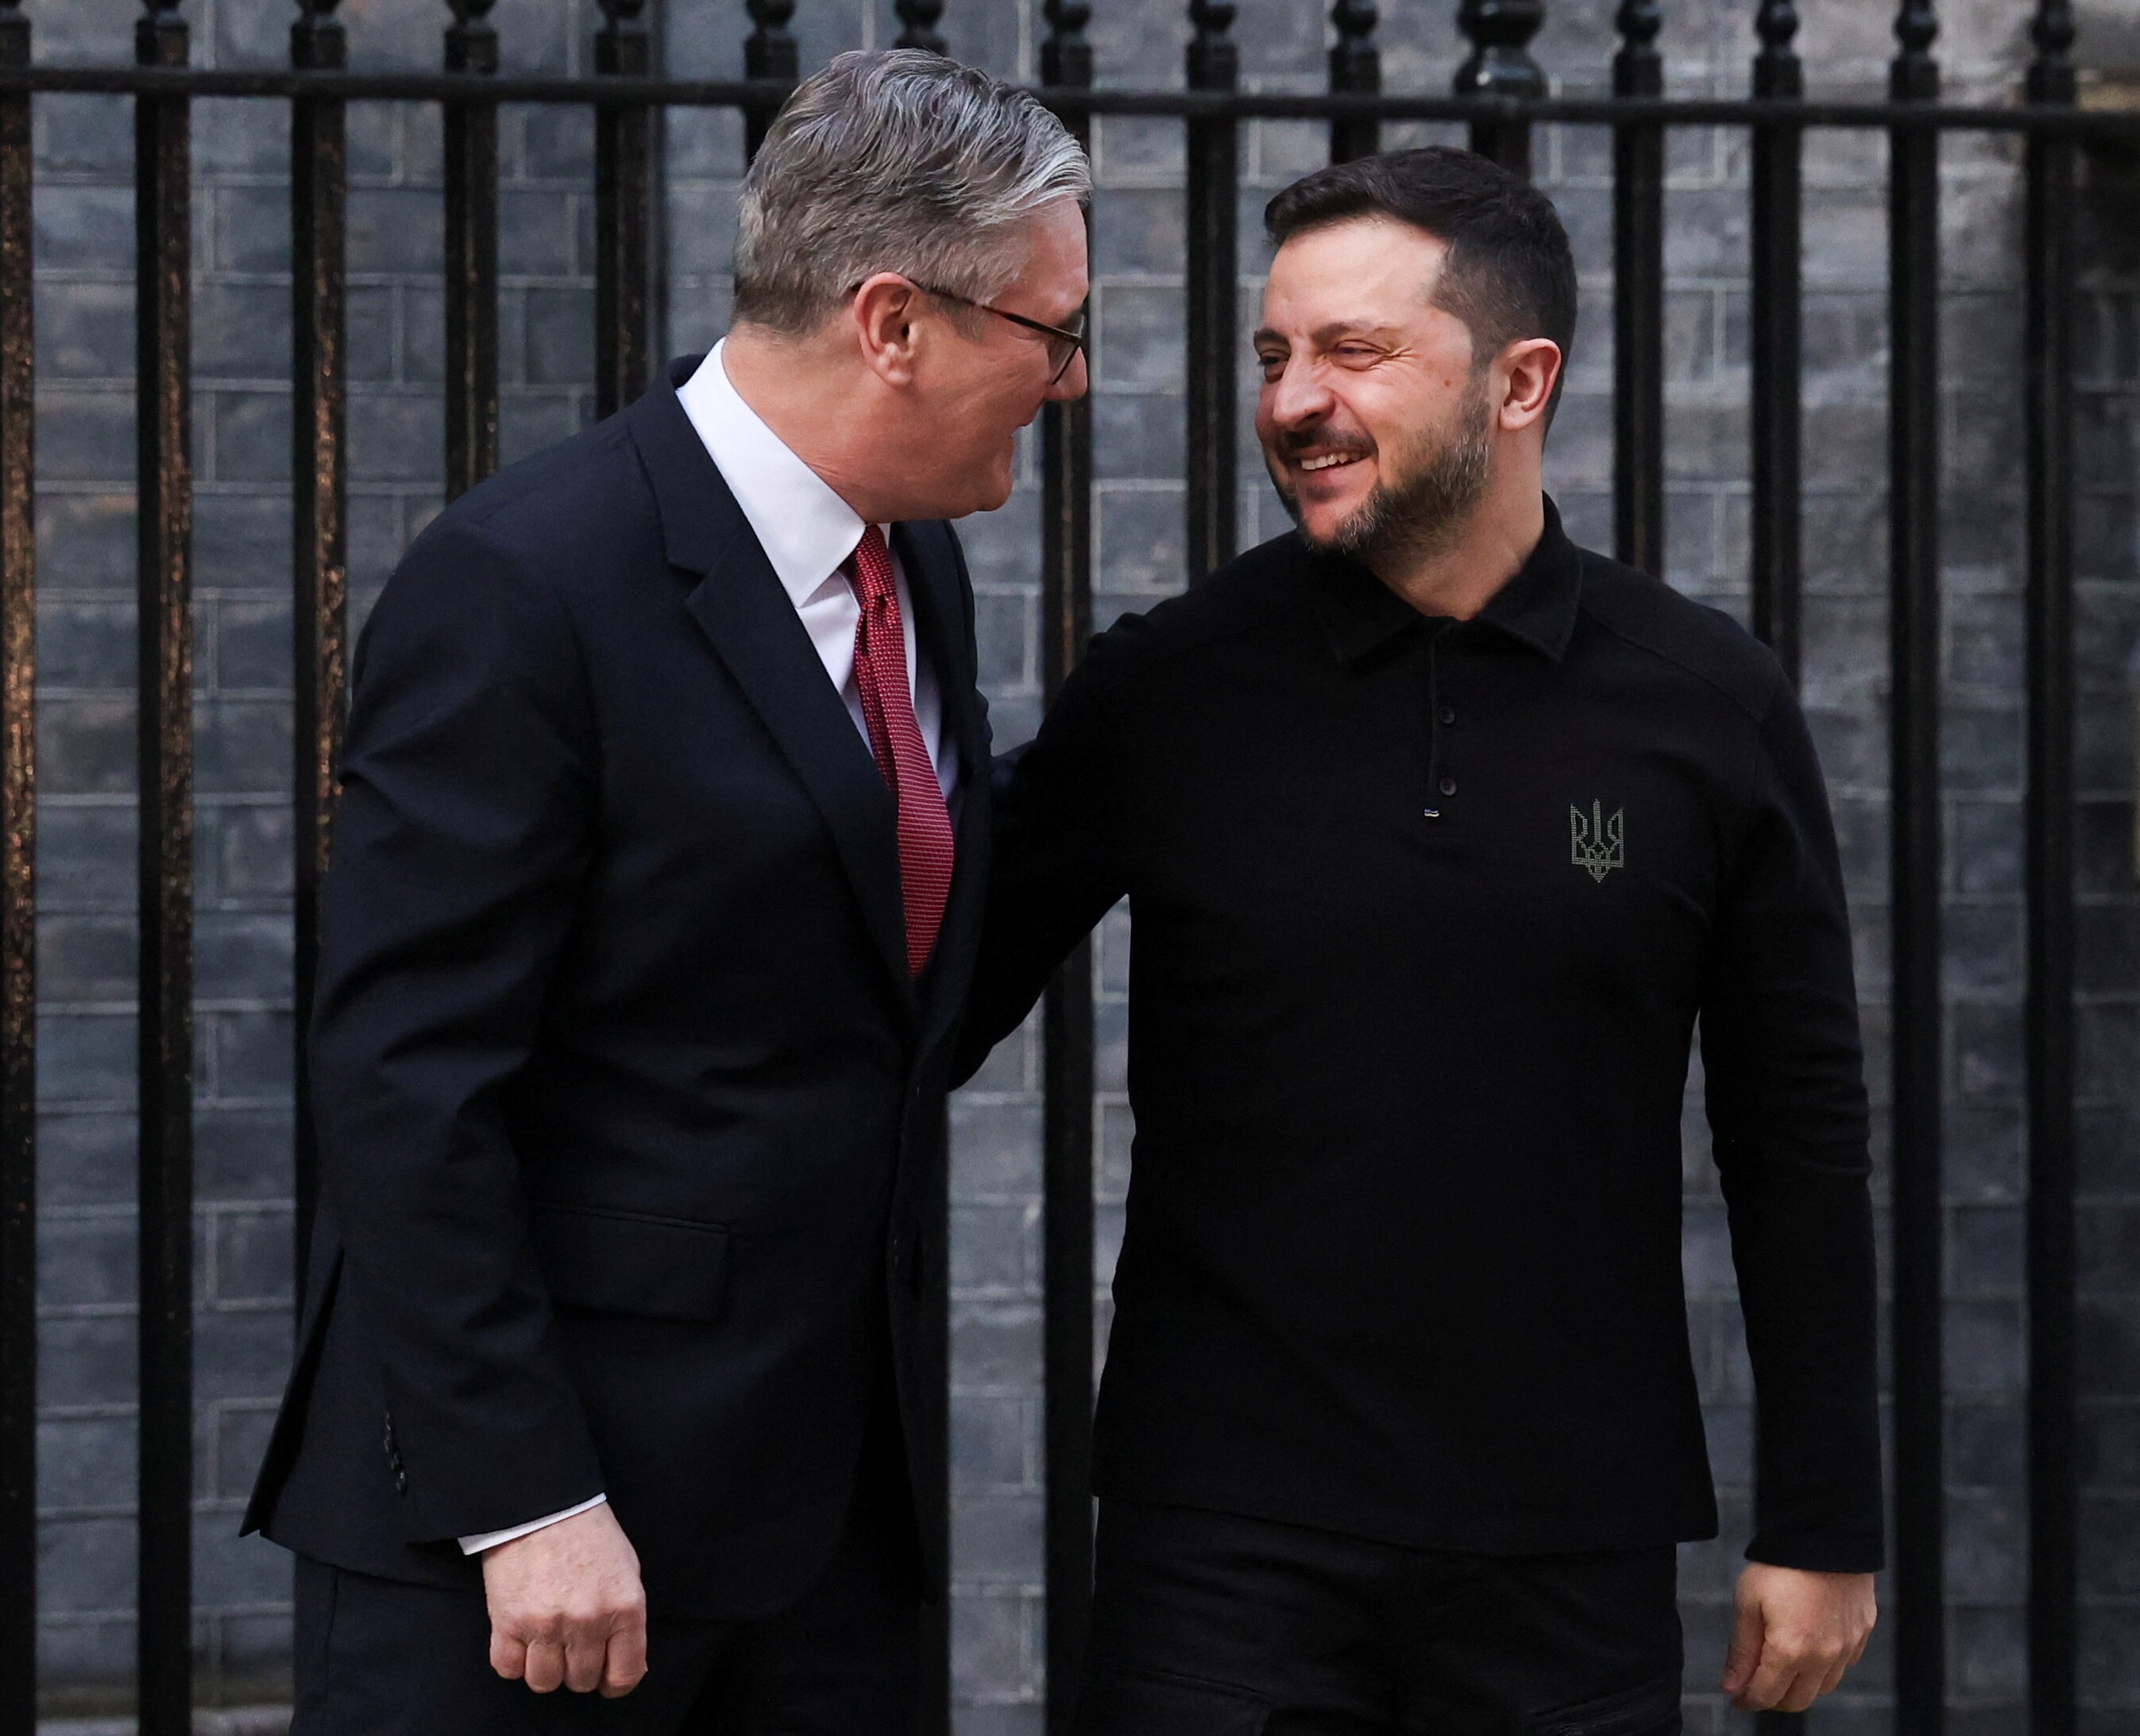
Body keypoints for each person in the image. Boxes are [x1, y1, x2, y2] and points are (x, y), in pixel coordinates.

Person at [956, 146, 1880, 1734]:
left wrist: (1826, 1518)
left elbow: (1795, 1126)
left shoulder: (1704, 702)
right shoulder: (1172, 690)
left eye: (1354, 352)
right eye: (1274, 354)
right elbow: (920, 994)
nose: (1293, 399)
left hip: (1565, 1557)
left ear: (1522, 381)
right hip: (1220, 1560)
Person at [242, 50, 1089, 1734]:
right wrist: (527, 1497)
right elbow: (407, 1081)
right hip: (540, 1558)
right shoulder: (525, 585)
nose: (1071, 380)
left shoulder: (911, 555)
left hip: (825, 1527)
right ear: (893, 322)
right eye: (1052, 332)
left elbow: (876, 979)